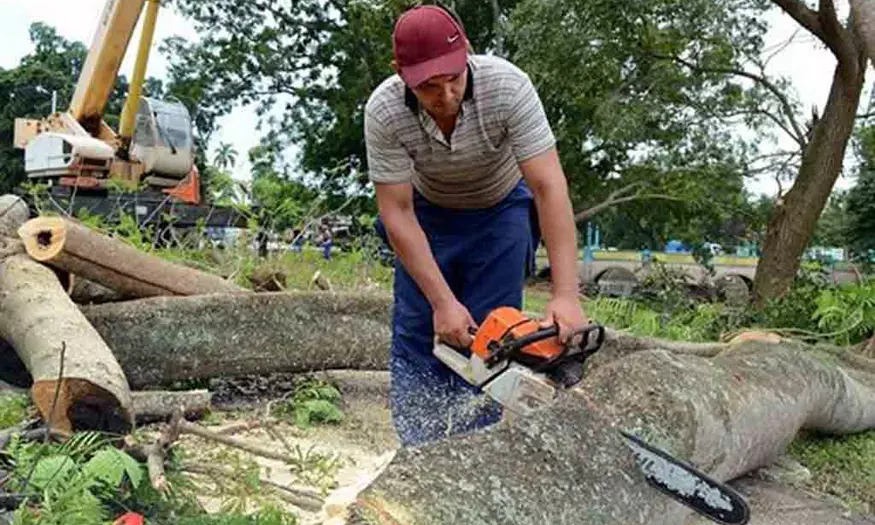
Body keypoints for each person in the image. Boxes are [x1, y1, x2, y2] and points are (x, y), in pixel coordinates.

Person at [365, 3, 589, 447]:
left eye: (453, 79)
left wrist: (566, 294)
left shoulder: (508, 87)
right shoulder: (384, 110)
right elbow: (397, 211)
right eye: (429, 87)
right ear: (402, 73)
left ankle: (475, 446)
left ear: (466, 52)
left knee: (494, 335)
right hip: (426, 215)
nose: (445, 95)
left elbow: (548, 187)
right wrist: (442, 301)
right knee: (418, 328)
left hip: (501, 209)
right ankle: (419, 448)